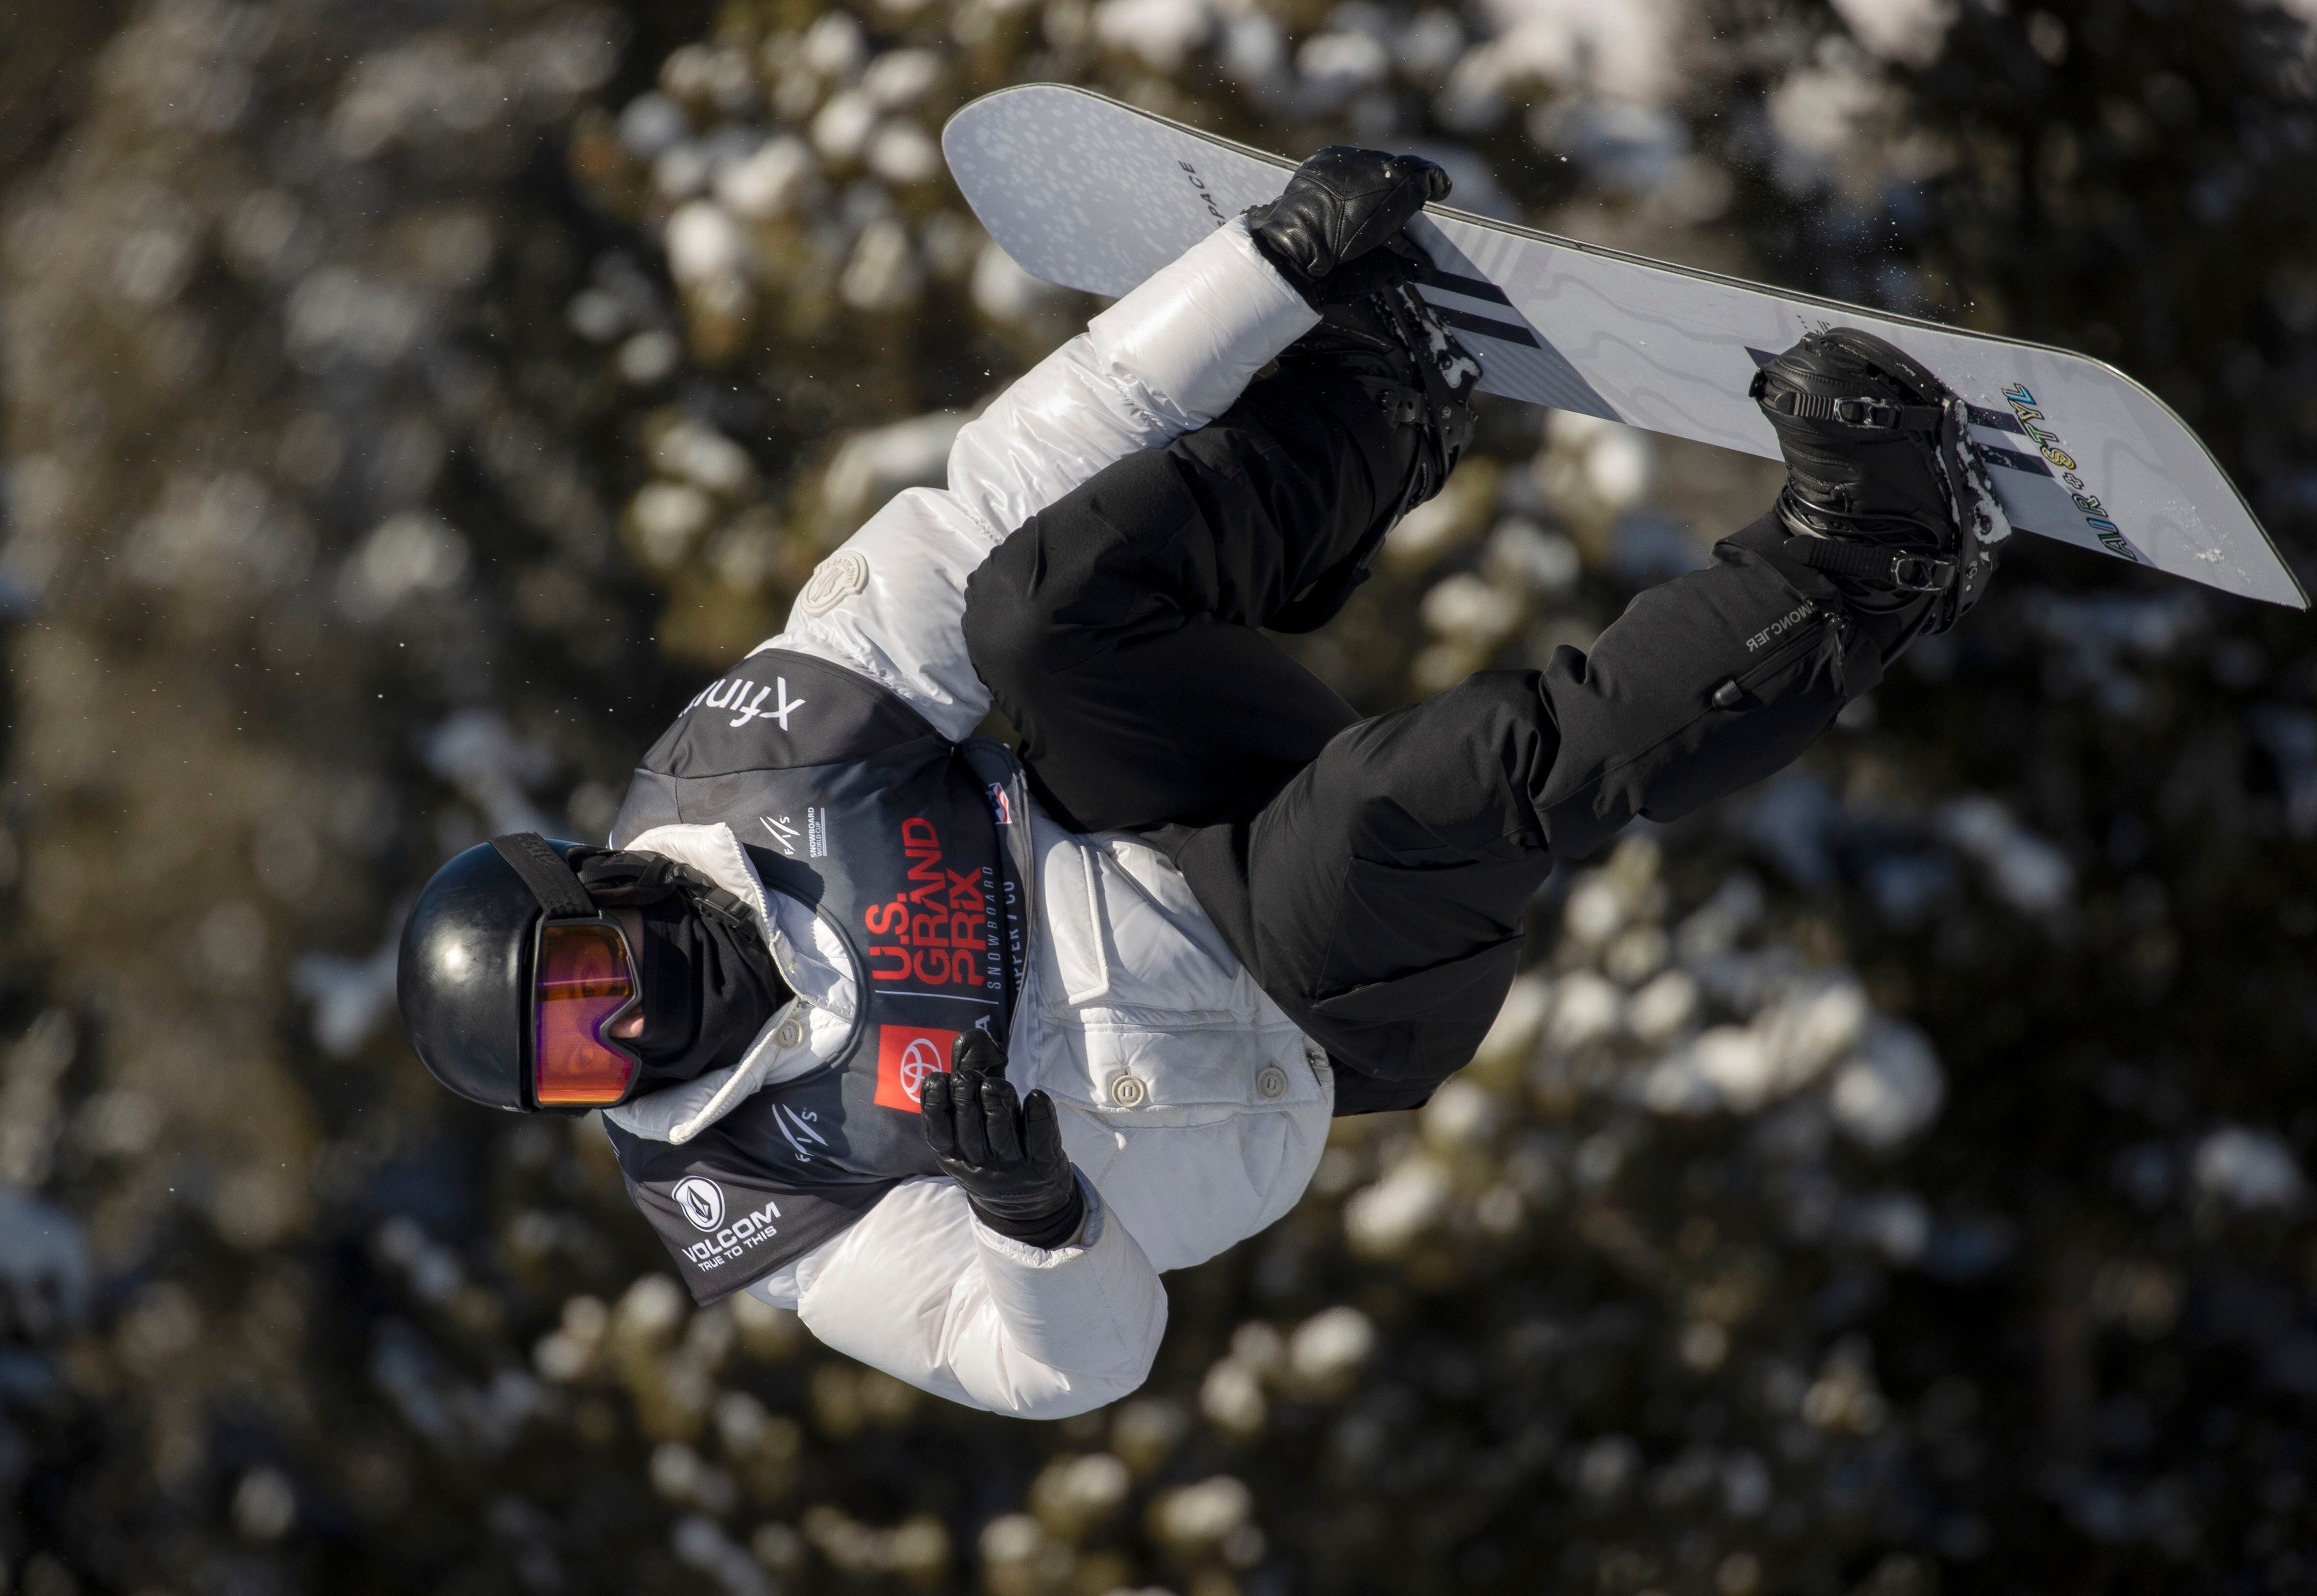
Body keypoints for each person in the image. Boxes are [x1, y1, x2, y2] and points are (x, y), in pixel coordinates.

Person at [396, 148, 2008, 1417]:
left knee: (1027, 610)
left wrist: (1260, 273)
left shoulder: (762, 758)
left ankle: (1374, 398)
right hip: (1279, 1023)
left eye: (588, 986)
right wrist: (1035, 1223)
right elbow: (1056, 1369)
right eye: (585, 1068)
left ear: (600, 886)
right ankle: (1866, 563)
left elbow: (992, 497)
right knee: (1407, 799)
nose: (629, 1035)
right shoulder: (767, 1190)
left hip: (1151, 819)